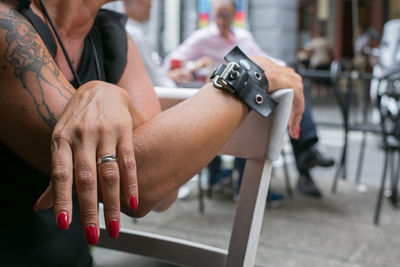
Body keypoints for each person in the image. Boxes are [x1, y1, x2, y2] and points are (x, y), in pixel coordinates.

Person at [0, 0, 304, 265]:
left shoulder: (112, 37)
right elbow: (142, 184)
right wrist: (248, 75)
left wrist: (109, 94)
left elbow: (164, 192)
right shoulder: (6, 25)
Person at [164, 0, 334, 198]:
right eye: (217, 15)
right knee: (257, 116)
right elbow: (172, 62)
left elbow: (263, 58)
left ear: (234, 14)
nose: (220, 20)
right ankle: (248, 187)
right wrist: (192, 66)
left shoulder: (243, 36)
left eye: (225, 15)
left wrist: (288, 72)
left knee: (292, 90)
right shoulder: (203, 37)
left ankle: (306, 150)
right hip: (220, 99)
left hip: (248, 94)